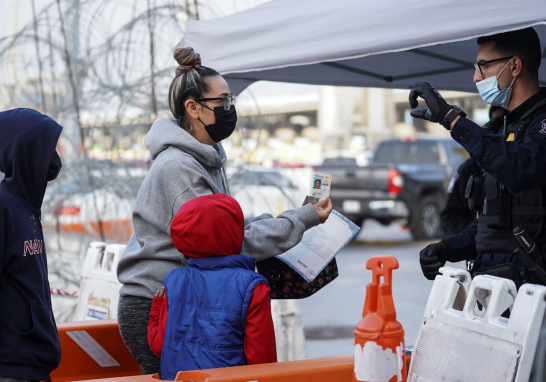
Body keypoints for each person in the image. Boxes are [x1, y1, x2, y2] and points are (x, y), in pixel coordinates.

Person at [117, 47, 333, 374]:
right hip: (160, 303)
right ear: (193, 108)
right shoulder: (179, 167)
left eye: (231, 100)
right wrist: (301, 220)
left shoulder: (204, 158)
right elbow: (222, 245)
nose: (231, 109)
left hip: (185, 299)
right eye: (223, 101)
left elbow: (226, 229)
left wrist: (293, 218)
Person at [408, 27, 546, 285]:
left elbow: (524, 167)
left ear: (515, 66)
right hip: (494, 289)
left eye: (483, 66)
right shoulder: (503, 129)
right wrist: (447, 248)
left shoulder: (541, 123)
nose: (475, 77)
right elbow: (495, 223)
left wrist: (452, 120)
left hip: (536, 297)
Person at [148, 194, 276, 380]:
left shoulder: (174, 281)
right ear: (233, 232)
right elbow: (263, 363)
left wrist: (157, 308)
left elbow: (159, 345)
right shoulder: (253, 286)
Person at [0, 109, 63, 381]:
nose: (55, 156)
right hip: (11, 365)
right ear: (25, 150)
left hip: (32, 363)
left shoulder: (27, 207)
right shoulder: (4, 208)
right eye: (47, 147)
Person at [440, 106, 504, 236]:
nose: (503, 130)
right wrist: (482, 231)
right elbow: (450, 219)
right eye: (498, 124)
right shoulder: (470, 168)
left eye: (508, 124)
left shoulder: (529, 163)